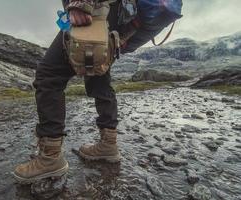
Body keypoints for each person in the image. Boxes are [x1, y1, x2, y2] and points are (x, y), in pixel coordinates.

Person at [12, 0, 182, 183]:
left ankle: (50, 157)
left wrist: (81, 3)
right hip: (135, 17)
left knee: (49, 75)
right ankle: (108, 144)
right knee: (97, 71)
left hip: (105, 7)